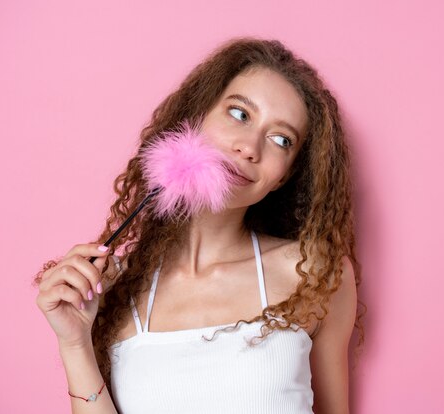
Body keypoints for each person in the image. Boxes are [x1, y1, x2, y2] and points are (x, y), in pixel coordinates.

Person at [35, 37, 365, 414]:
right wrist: (75, 343)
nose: (250, 147)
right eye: (240, 114)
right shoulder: (112, 292)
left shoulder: (316, 275)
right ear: (196, 118)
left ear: (283, 178)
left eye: (280, 139)